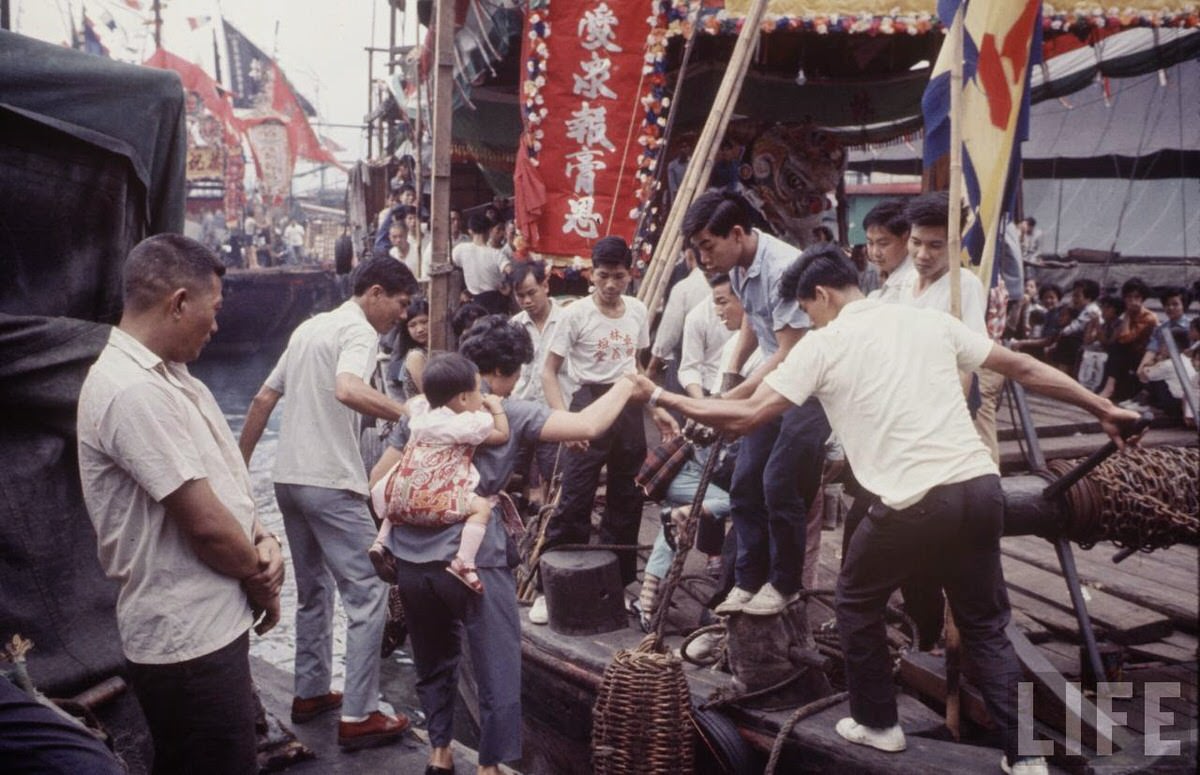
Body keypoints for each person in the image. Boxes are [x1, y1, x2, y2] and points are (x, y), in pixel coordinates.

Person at [630, 244, 1142, 775]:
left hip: (913, 502)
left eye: (807, 312)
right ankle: (1028, 758)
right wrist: (1104, 408)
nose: (808, 322)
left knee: (855, 600)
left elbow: (744, 417)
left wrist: (663, 397)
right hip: (980, 487)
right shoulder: (927, 323)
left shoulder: (822, 345)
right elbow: (1023, 367)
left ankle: (879, 724)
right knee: (987, 624)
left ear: (822, 296)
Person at [368, 316, 643, 775]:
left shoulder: (420, 409)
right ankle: (490, 766)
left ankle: (440, 751)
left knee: (433, 657)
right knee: (497, 664)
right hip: (476, 560)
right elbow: (590, 424)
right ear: (508, 371)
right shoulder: (508, 412)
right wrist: (627, 383)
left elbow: (377, 481)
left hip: (414, 562)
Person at [77, 234, 284, 774]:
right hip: (187, 641)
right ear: (178, 303)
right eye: (213, 311)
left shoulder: (172, 376)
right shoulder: (131, 391)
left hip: (210, 627)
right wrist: (260, 578)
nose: (216, 326)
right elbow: (208, 526)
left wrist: (266, 538)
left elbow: (225, 483)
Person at [238, 257, 417, 749]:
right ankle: (360, 713)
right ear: (375, 292)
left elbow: (261, 400)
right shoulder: (360, 333)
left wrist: (237, 469)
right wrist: (410, 412)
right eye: (402, 304)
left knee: (314, 590)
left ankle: (311, 691)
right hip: (330, 481)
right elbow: (348, 388)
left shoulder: (308, 329)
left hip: (288, 479)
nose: (403, 316)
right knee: (369, 590)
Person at [681, 190, 830, 617]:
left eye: (708, 246)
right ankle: (748, 580)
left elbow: (789, 352)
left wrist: (730, 399)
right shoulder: (742, 265)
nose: (704, 258)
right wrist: (731, 374)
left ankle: (784, 585)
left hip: (810, 387)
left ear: (738, 233)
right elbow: (753, 321)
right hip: (776, 379)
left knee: (780, 483)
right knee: (746, 482)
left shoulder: (784, 267)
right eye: (698, 249)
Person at [537, 237, 678, 608]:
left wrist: (653, 406)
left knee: (628, 496)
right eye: (603, 276)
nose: (611, 285)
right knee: (576, 496)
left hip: (628, 406)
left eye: (618, 276)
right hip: (588, 404)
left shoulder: (636, 310)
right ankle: (550, 584)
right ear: (591, 275)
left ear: (630, 275)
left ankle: (616, 583)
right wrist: (566, 422)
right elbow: (549, 372)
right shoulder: (575, 315)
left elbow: (635, 366)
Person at [369, 353, 510, 593]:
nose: (482, 396)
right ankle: (464, 562)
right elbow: (502, 435)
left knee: (398, 499)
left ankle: (380, 542)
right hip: (438, 495)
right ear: (464, 398)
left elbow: (417, 403)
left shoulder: (420, 416)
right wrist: (496, 408)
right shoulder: (467, 424)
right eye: (478, 391)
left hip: (405, 492)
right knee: (481, 509)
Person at [509, 260, 573, 499]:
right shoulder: (515, 325)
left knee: (555, 472)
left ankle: (550, 527)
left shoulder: (568, 320)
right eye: (520, 295)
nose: (526, 301)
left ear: (545, 286)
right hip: (521, 412)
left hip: (554, 412)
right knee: (516, 473)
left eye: (531, 293)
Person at [647, 247, 711, 386]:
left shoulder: (684, 287)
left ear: (689, 255)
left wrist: (652, 365)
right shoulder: (731, 282)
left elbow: (669, 333)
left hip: (686, 361)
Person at [453, 214, 511, 315]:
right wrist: (508, 287)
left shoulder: (460, 250)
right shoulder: (496, 254)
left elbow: (454, 265)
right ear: (489, 231)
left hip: (475, 301)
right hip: (496, 300)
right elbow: (510, 270)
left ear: (470, 231)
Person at [862, 199, 913, 303]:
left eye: (883, 244)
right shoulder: (889, 273)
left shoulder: (910, 282)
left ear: (906, 238)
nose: (875, 253)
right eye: (870, 243)